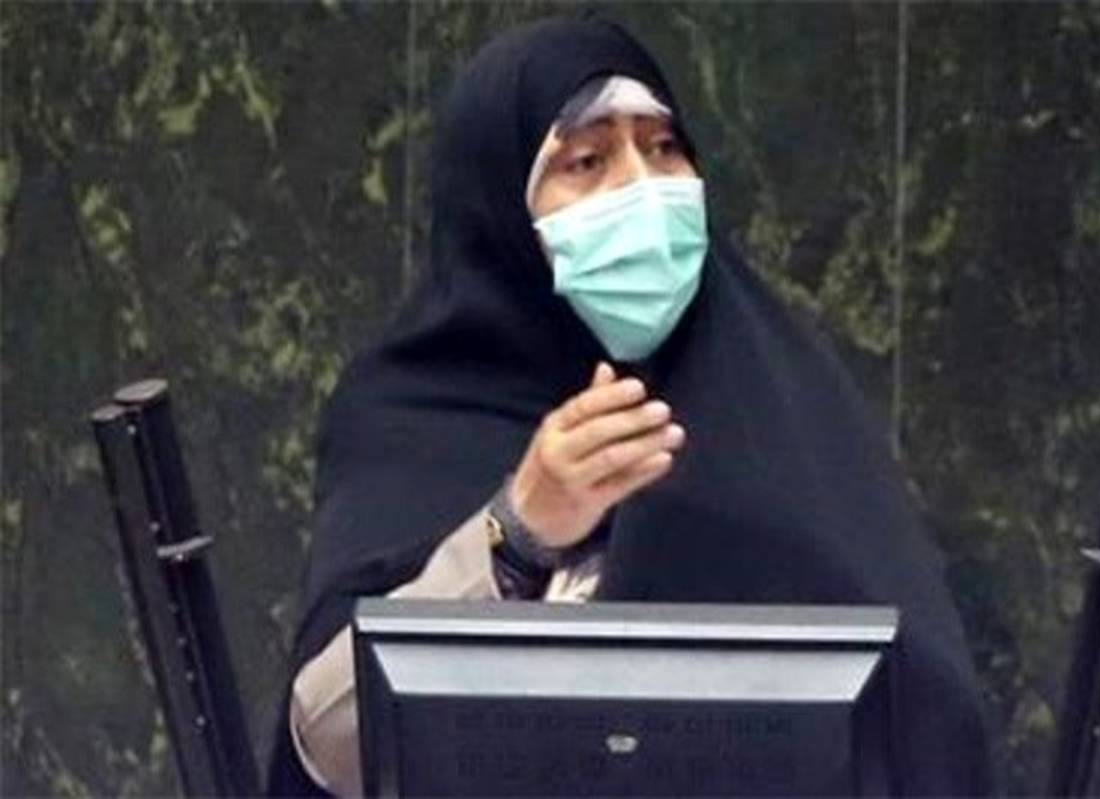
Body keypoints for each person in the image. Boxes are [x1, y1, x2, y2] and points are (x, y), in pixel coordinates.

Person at [268, 15, 993, 797]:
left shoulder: (773, 404)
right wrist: (518, 533)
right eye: (587, 160)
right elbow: (328, 742)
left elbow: (928, 713)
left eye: (664, 147)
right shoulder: (411, 415)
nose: (642, 189)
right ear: (501, 207)